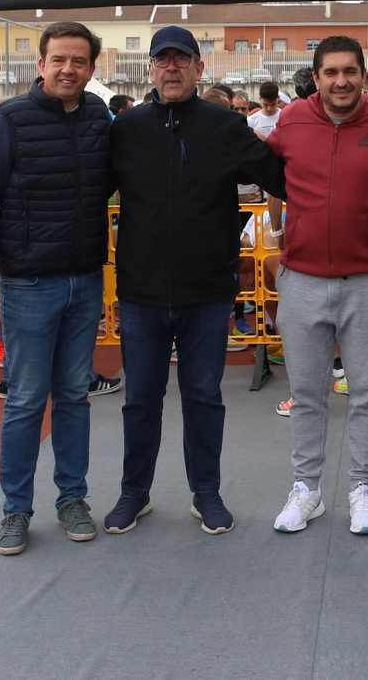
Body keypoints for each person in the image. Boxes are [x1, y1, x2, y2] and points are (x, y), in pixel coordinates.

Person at [102, 26, 286, 537]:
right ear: (151, 69)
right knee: (140, 399)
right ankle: (133, 493)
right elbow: (84, 189)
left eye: (182, 59)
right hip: (139, 293)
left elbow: (285, 176)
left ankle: (206, 492)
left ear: (200, 69)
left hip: (207, 291)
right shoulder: (126, 128)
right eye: (163, 60)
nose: (172, 68)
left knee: (204, 396)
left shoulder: (226, 127)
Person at [0, 23, 112, 555]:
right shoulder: (9, 119)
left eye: (78, 60)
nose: (68, 69)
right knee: (26, 400)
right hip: (26, 283)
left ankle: (72, 498)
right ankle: (15, 509)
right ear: (42, 65)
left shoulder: (99, 116)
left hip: (85, 281)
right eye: (58, 60)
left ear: (93, 68)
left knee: (73, 396)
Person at [267, 36, 368, 535]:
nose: (341, 81)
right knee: (307, 394)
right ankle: (306, 489)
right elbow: (269, 173)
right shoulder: (290, 120)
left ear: (364, 74)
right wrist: (283, 231)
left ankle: (361, 489)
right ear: (316, 75)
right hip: (302, 280)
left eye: (350, 71)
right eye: (331, 72)